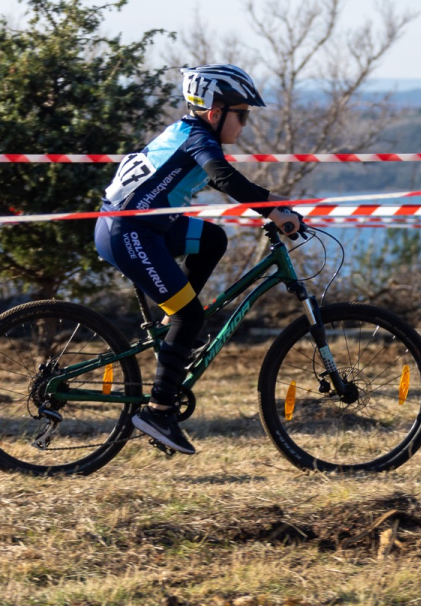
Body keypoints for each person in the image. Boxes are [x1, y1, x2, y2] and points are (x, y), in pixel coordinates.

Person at [95, 64, 302, 455]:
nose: (245, 124)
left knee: (212, 239)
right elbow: (224, 178)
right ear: (214, 112)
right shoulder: (198, 141)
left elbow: (231, 180)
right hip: (130, 234)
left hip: (145, 227)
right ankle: (158, 412)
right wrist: (272, 212)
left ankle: (175, 330)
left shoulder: (187, 133)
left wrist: (274, 202)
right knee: (190, 315)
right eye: (242, 114)